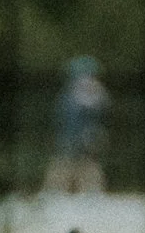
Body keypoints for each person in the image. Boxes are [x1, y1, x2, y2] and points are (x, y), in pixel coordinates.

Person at [41, 56, 108, 194]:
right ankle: (56, 190)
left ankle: (91, 191)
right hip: (70, 135)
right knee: (64, 162)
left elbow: (99, 115)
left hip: (86, 135)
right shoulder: (71, 93)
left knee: (87, 163)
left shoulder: (94, 92)